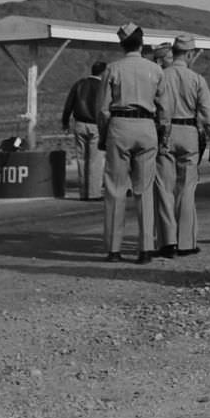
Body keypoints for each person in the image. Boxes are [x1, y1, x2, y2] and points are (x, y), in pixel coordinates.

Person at [97, 22, 171, 264]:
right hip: (147, 127)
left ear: (122, 44)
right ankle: (145, 248)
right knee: (144, 189)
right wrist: (163, 137)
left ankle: (114, 249)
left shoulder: (112, 69)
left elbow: (102, 109)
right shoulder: (155, 70)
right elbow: (164, 110)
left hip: (119, 126)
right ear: (142, 43)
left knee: (115, 189)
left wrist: (104, 135)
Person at [154, 32, 210, 258]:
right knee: (187, 188)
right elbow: (208, 114)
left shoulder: (160, 76)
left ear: (173, 52)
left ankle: (166, 241)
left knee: (163, 187)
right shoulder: (197, 79)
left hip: (165, 132)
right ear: (190, 53)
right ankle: (186, 241)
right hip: (189, 132)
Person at [61, 60, 107, 201]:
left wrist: (65, 122)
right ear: (103, 72)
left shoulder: (79, 84)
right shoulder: (103, 86)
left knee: (81, 159)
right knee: (95, 160)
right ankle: (94, 193)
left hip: (79, 124)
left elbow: (69, 104)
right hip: (96, 125)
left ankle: (83, 193)